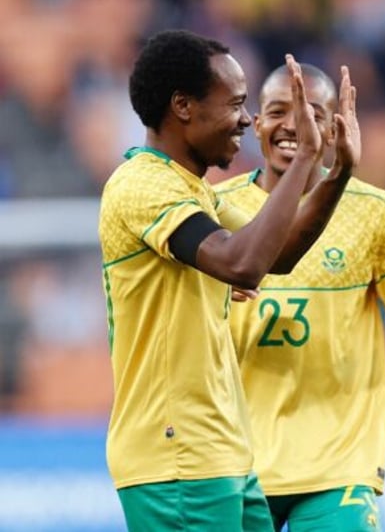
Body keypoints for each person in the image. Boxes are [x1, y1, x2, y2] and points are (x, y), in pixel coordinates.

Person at [98, 29, 360, 531]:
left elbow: (275, 255)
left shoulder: (195, 191)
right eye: (236, 103)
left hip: (224, 452)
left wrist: (337, 171)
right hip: (174, 455)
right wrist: (304, 156)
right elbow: (241, 263)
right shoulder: (141, 186)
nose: (245, 118)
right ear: (183, 107)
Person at [214, 63, 385, 532]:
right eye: (279, 110)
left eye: (313, 113)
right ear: (256, 123)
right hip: (236, 464)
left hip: (337, 468)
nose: (294, 125)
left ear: (334, 128)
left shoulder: (373, 211)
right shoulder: (215, 208)